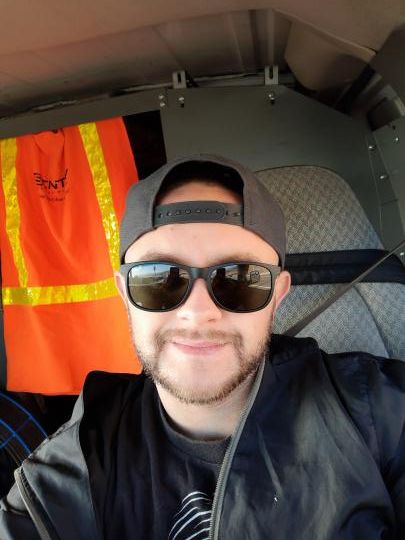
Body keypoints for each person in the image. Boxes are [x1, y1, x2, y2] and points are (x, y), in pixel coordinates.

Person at [0, 154, 404, 539]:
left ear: (277, 295)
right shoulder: (76, 465)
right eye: (159, 277)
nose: (197, 312)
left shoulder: (377, 412)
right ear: (125, 294)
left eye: (240, 277)